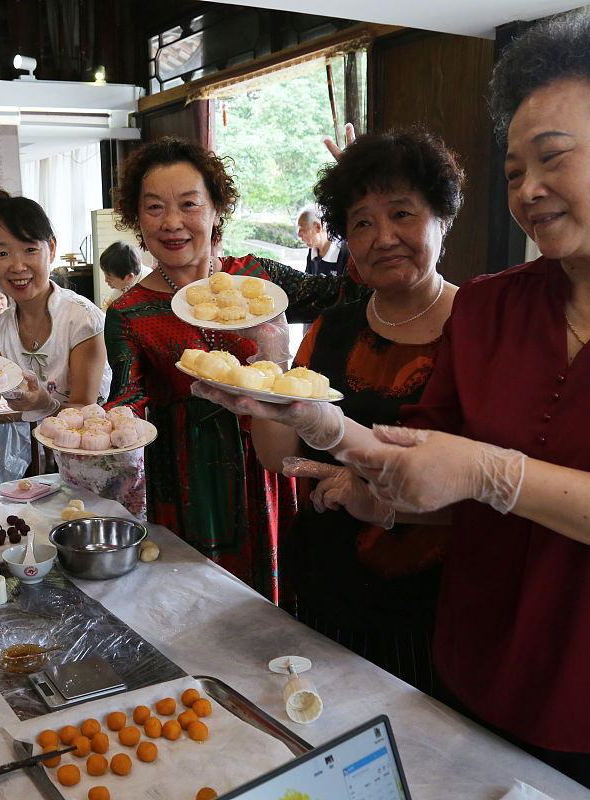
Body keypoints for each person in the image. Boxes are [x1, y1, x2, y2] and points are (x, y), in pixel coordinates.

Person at [197, 12, 590, 799]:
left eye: (553, 158)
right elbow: (432, 472)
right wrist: (329, 429)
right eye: (513, 170)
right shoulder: (494, 308)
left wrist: (501, 475)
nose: (529, 188)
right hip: (474, 670)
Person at [105, 136, 369, 598]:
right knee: (196, 605)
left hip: (268, 459)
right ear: (136, 218)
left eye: (189, 204)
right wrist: (93, 428)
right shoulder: (128, 312)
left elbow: (350, 290)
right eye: (153, 208)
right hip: (185, 481)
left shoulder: (258, 278)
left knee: (278, 604)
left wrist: (358, 194)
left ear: (214, 210)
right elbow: (129, 403)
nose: (172, 223)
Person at [250, 130, 462, 694]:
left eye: (402, 213)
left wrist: (364, 481)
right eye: (362, 222)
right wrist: (269, 368)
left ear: (442, 218)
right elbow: (278, 456)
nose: (383, 237)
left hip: (432, 602)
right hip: (324, 582)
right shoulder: (333, 328)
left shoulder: (481, 329)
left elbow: (492, 477)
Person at [0, 191, 144, 513]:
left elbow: (85, 408)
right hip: (57, 467)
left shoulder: (81, 318)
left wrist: (44, 403)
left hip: (111, 457)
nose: (18, 266)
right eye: (2, 253)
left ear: (51, 249)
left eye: (30, 249)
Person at [296, 202, 350, 276]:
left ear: (317, 227)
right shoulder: (313, 252)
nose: (299, 234)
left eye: (302, 229)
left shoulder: (346, 252)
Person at [98, 240, 151, 308]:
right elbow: (110, 304)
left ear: (129, 277)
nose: (106, 280)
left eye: (109, 278)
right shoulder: (127, 273)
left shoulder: (146, 286)